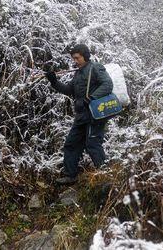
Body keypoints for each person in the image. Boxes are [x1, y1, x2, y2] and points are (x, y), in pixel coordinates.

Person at [45, 44, 113, 184]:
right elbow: (69, 90)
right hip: (81, 116)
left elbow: (107, 84)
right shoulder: (78, 73)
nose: (75, 61)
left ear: (85, 56)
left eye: (77, 58)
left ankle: (106, 177)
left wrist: (91, 97)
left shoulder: (96, 68)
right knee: (71, 143)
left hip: (95, 115)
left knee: (93, 144)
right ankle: (71, 176)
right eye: (73, 58)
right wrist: (53, 81)